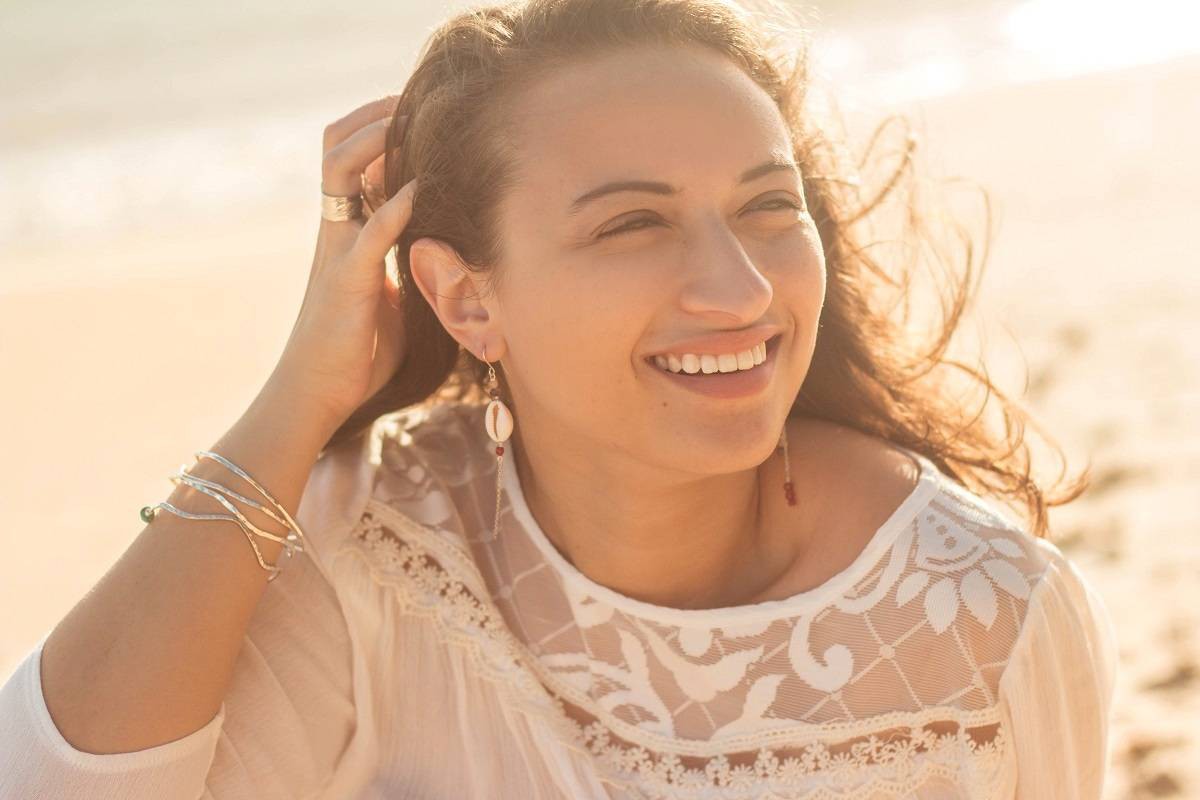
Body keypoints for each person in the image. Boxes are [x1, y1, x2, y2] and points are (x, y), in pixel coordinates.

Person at [0, 0, 1118, 797]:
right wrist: (302, 391)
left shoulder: (991, 620)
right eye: (632, 223)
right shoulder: (372, 550)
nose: (740, 290)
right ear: (463, 298)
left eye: (770, 207)